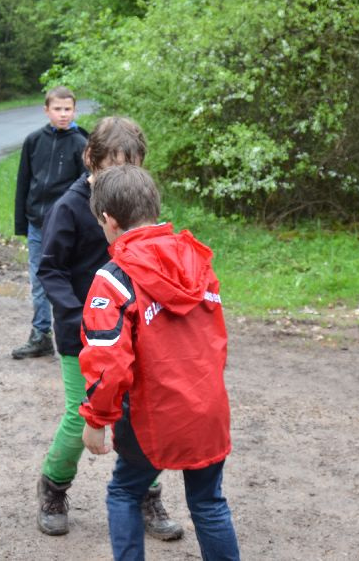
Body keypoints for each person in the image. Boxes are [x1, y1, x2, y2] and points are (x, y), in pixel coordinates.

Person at [80, 165, 240, 561]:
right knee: (208, 501)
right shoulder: (198, 262)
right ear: (154, 208)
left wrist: (96, 420)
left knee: (124, 492)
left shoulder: (113, 279)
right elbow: (216, 339)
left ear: (109, 221)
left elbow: (107, 360)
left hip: (152, 415)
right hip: (207, 406)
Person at [34, 117, 182, 540]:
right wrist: (79, 317)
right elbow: (51, 270)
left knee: (141, 419)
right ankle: (53, 488)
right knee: (80, 415)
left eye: (131, 166)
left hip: (135, 330)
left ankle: (146, 495)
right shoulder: (68, 208)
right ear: (90, 159)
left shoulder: (136, 205)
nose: (122, 175)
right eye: (113, 165)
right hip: (82, 336)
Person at [12, 87, 89, 359]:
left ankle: (78, 334)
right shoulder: (34, 141)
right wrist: (21, 222)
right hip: (36, 224)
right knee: (39, 280)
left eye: (68, 109)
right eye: (57, 109)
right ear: (46, 110)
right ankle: (40, 335)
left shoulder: (81, 144)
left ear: (75, 111)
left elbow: (87, 188)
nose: (63, 114)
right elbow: (24, 182)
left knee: (68, 280)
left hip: (66, 227)